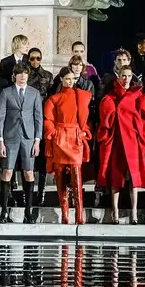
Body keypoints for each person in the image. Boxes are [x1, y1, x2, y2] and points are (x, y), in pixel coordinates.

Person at [96, 66, 145, 224]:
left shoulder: (139, 96)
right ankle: (115, 212)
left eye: (129, 76)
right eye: (123, 75)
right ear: (118, 77)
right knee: (116, 177)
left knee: (133, 179)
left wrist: (144, 139)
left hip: (132, 142)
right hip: (117, 141)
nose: (126, 78)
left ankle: (134, 213)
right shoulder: (111, 97)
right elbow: (105, 117)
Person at [0, 62, 45, 223]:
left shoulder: (34, 93)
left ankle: (28, 211)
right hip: (10, 137)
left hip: (29, 138)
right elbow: (0, 118)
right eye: (20, 73)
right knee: (7, 172)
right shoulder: (6, 92)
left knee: (28, 172)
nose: (23, 76)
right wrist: (0, 141)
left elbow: (39, 118)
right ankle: (4, 212)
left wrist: (37, 141)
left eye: (25, 73)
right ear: (14, 75)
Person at [44, 69, 93, 224]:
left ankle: (79, 213)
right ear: (61, 79)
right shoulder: (54, 99)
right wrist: (52, 132)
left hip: (75, 137)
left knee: (77, 177)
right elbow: (48, 119)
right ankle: (65, 213)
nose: (70, 81)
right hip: (61, 138)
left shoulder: (81, 96)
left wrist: (84, 131)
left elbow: (85, 118)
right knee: (60, 178)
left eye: (72, 79)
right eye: (67, 78)